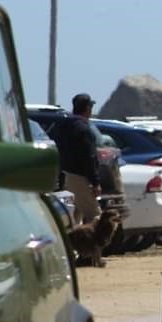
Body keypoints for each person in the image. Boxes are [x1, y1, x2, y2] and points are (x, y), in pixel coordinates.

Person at [52, 93, 101, 226]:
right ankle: (93, 245)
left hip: (65, 174)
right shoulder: (84, 130)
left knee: (74, 216)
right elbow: (89, 157)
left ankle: (75, 245)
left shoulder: (63, 126)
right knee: (95, 215)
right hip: (80, 177)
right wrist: (95, 182)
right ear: (87, 108)